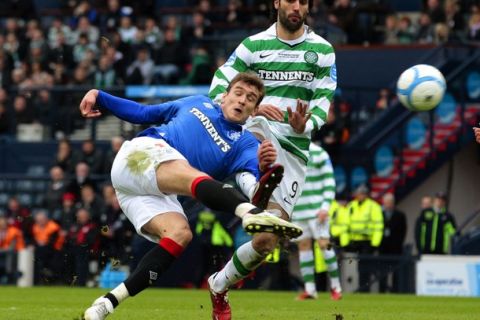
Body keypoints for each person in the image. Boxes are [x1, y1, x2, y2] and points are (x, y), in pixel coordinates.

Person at [80, 72, 302, 320]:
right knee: (192, 175)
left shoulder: (248, 145)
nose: (241, 100)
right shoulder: (196, 102)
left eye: (250, 99)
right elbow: (143, 114)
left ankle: (105, 304)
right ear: (225, 95)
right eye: (238, 93)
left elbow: (252, 186)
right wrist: (99, 95)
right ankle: (248, 213)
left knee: (180, 234)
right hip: (141, 155)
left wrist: (262, 175)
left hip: (147, 191)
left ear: (254, 110)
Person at [208, 1, 336, 318]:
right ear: (277, 2)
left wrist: (302, 124)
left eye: (303, 1)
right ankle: (256, 183)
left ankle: (218, 285)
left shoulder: (322, 51)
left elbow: (323, 103)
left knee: (266, 241)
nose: (297, 6)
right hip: (254, 133)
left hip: (293, 150)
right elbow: (218, 87)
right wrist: (250, 107)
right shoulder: (252, 46)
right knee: (255, 145)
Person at [292, 142, 342, 300]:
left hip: (317, 210)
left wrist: (325, 207)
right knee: (304, 247)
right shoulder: (290, 150)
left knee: (324, 245)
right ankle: (310, 289)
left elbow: (329, 181)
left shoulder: (319, 153)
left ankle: (336, 287)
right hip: (299, 210)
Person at [346, 184, 383, 292]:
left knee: (366, 268)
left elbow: (378, 226)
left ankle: (365, 289)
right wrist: (347, 241)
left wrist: (375, 243)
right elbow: (346, 224)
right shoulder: (351, 205)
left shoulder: (373, 206)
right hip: (355, 241)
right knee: (357, 267)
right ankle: (361, 288)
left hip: (367, 241)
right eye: (358, 193)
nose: (360, 195)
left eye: (362, 193)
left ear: (366, 194)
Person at [378, 193, 407, 293]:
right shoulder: (379, 214)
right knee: (382, 272)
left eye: (390, 202)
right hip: (382, 249)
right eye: (386, 202)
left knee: (396, 272)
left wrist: (397, 244)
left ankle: (395, 291)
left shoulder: (400, 215)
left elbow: (403, 232)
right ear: (383, 203)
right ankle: (382, 291)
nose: (388, 204)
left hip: (395, 249)